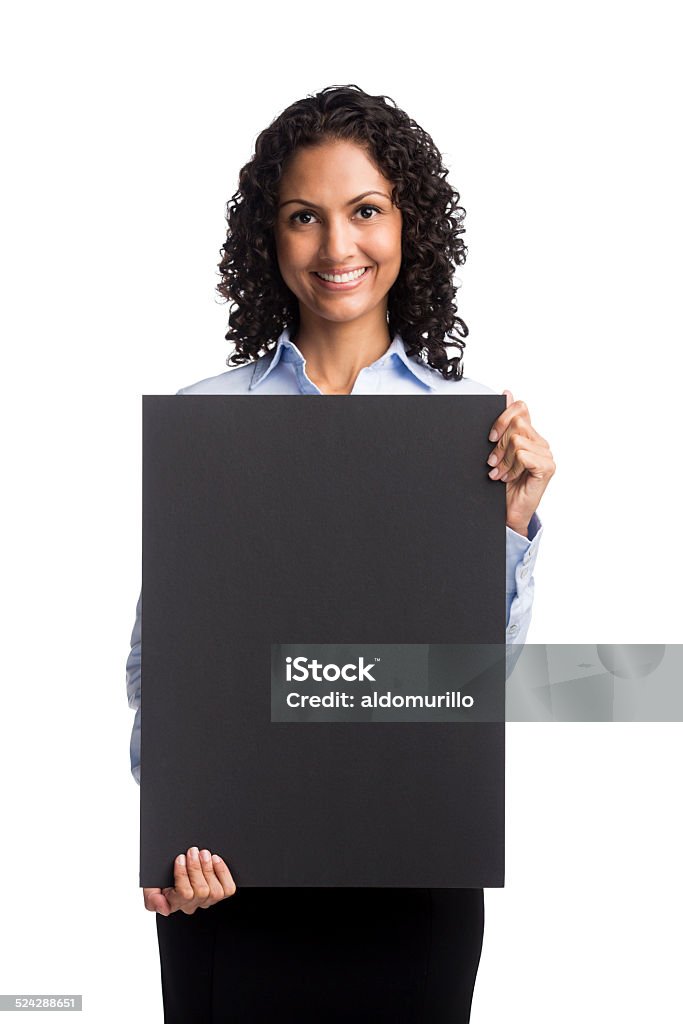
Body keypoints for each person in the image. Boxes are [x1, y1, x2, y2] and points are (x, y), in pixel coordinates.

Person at [125, 84, 555, 1023]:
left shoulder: (469, 426)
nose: (336, 248)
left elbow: (475, 681)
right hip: (231, 878)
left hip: (413, 870)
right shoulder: (209, 419)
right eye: (303, 218)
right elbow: (161, 667)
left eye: (365, 211)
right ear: (268, 240)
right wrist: (169, 842)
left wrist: (514, 525)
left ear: (409, 224)